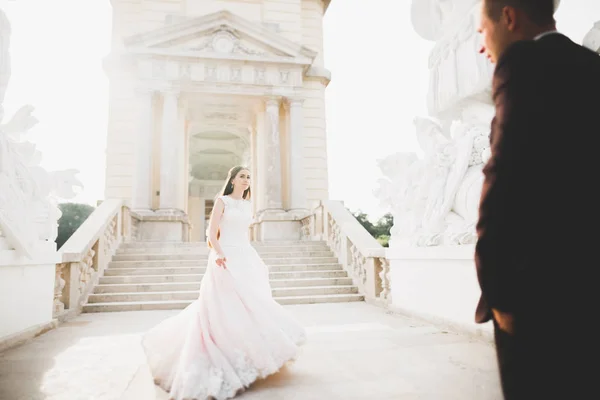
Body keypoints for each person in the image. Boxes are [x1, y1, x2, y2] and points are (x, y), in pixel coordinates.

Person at [475, 0, 600, 398]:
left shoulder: (522, 64)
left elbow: (503, 179)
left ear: (509, 17)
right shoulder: (591, 65)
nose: (482, 46)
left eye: (482, 30)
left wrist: (499, 297)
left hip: (538, 301)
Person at [143, 166, 306, 400]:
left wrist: (254, 257)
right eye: (242, 176)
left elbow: (244, 234)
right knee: (222, 307)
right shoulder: (223, 201)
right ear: (232, 180)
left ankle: (249, 354)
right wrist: (218, 253)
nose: (246, 180)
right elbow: (211, 233)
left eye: (249, 177)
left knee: (250, 304)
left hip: (245, 255)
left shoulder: (248, 205)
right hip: (224, 255)